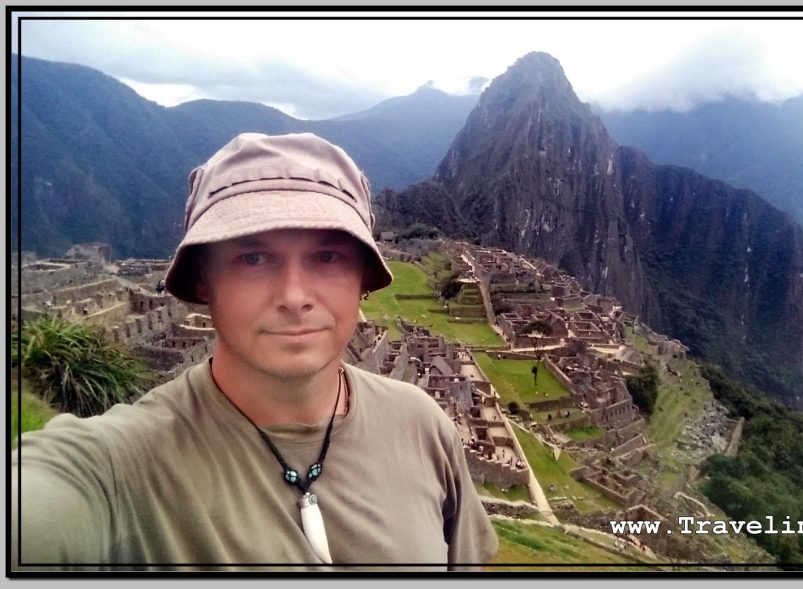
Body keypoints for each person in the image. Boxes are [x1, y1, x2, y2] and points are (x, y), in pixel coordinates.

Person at [12, 132, 498, 571]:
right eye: (254, 258)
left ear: (362, 280)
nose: (294, 295)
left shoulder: (423, 427)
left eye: (328, 256)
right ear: (204, 279)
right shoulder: (118, 470)